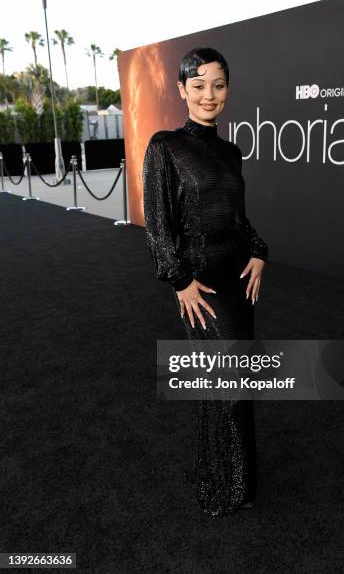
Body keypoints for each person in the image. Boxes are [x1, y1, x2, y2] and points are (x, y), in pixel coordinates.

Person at [142, 46, 268, 516]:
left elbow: (238, 218)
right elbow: (157, 224)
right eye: (198, 85)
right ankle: (229, 484)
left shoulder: (232, 151)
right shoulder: (165, 146)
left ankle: (231, 474)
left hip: (237, 280)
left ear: (228, 89)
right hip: (202, 286)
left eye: (218, 85)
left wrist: (259, 251)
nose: (208, 95)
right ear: (182, 90)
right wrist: (179, 282)